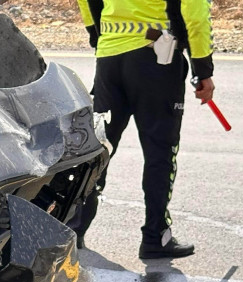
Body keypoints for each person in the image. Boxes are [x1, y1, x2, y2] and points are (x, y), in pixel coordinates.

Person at [73, 0, 215, 259]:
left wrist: (99, 36)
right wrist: (202, 68)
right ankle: (155, 237)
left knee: (97, 149)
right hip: (156, 57)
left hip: (109, 58)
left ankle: (72, 230)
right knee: (160, 150)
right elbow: (195, 12)